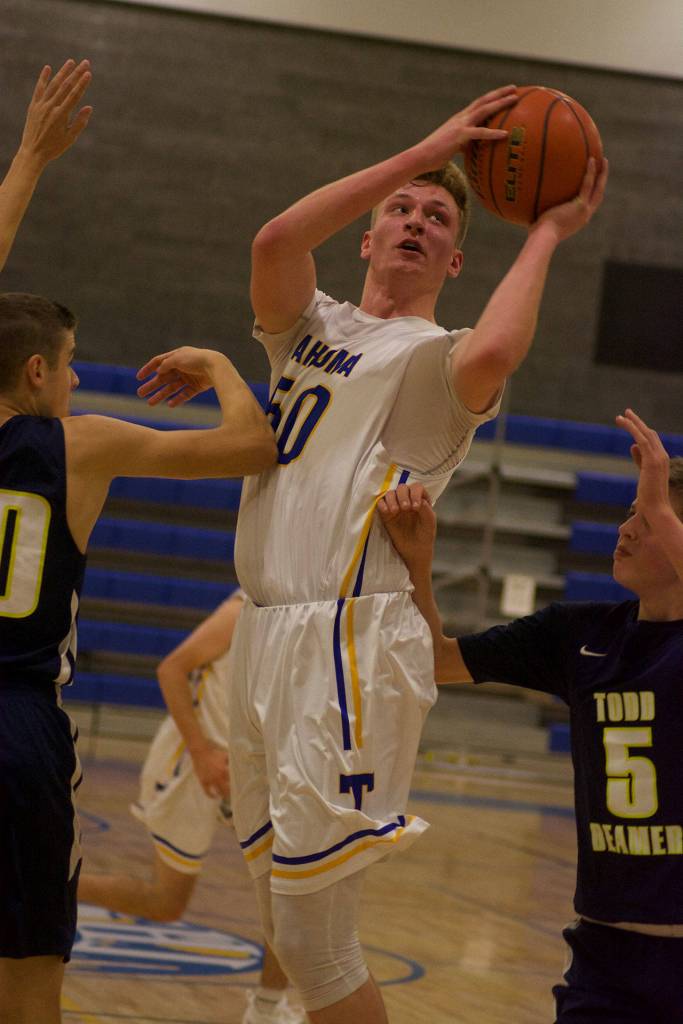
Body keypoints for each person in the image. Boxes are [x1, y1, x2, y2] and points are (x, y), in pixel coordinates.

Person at [224, 84, 608, 1023]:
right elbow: (274, 240)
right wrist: (418, 153)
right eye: (400, 209)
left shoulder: (432, 357)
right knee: (284, 920)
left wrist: (547, 233)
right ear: (366, 232)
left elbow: (498, 351)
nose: (413, 219)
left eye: (436, 216)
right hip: (262, 633)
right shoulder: (307, 325)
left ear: (454, 256)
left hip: (347, 643)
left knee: (318, 940)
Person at [0, 63, 276, 1024]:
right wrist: (219, 365)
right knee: (32, 979)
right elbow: (253, 446)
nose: (76, 384)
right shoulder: (81, 445)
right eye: (70, 368)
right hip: (20, 728)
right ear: (38, 371)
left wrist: (29, 157)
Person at [377, 408, 683, 1023]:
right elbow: (436, 662)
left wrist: (658, 496)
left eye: (647, 516)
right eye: (628, 510)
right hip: (606, 955)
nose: (627, 527)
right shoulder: (577, 634)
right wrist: (418, 566)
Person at [79, 591, 305, 1024]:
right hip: (193, 764)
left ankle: (266, 1010)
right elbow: (171, 669)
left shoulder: (310, 617)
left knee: (288, 896)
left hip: (256, 772)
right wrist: (202, 753)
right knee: (165, 904)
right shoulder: (244, 609)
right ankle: (44, 890)